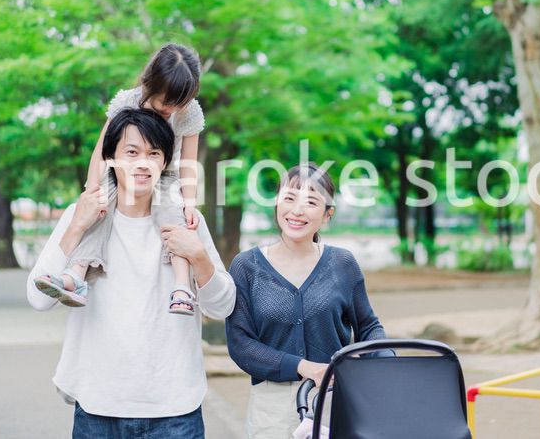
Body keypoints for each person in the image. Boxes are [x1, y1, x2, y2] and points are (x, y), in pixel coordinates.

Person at [26, 108, 236, 438]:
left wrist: (198, 256)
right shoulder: (79, 215)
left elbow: (221, 308)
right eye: (132, 152)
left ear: (166, 162)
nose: (143, 163)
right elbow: (38, 299)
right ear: (109, 157)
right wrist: (76, 226)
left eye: (154, 153)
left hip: (174, 410)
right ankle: (75, 280)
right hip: (98, 408)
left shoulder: (185, 221)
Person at [34, 43, 205, 315]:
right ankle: (77, 275)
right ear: (150, 84)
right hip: (121, 172)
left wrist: (189, 202)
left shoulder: (188, 112)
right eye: (165, 100)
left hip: (165, 174)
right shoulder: (129, 101)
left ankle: (182, 286)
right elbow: (102, 153)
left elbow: (188, 163)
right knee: (98, 212)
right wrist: (93, 189)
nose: (170, 108)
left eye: (178, 102)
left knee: (174, 216)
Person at [226, 163, 390, 439]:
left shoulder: (342, 263)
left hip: (334, 401)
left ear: (327, 214)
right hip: (272, 410)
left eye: (311, 202)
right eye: (289, 198)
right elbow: (241, 344)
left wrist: (386, 362)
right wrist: (304, 367)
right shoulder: (246, 266)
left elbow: (368, 326)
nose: (297, 211)